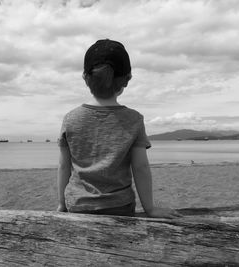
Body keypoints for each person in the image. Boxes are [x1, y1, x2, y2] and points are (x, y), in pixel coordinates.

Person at [57, 39, 182, 218]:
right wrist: (150, 209)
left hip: (78, 206)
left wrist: (62, 204)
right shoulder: (134, 119)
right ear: (127, 80)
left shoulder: (71, 119)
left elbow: (63, 166)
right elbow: (140, 168)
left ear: (85, 78)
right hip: (119, 207)